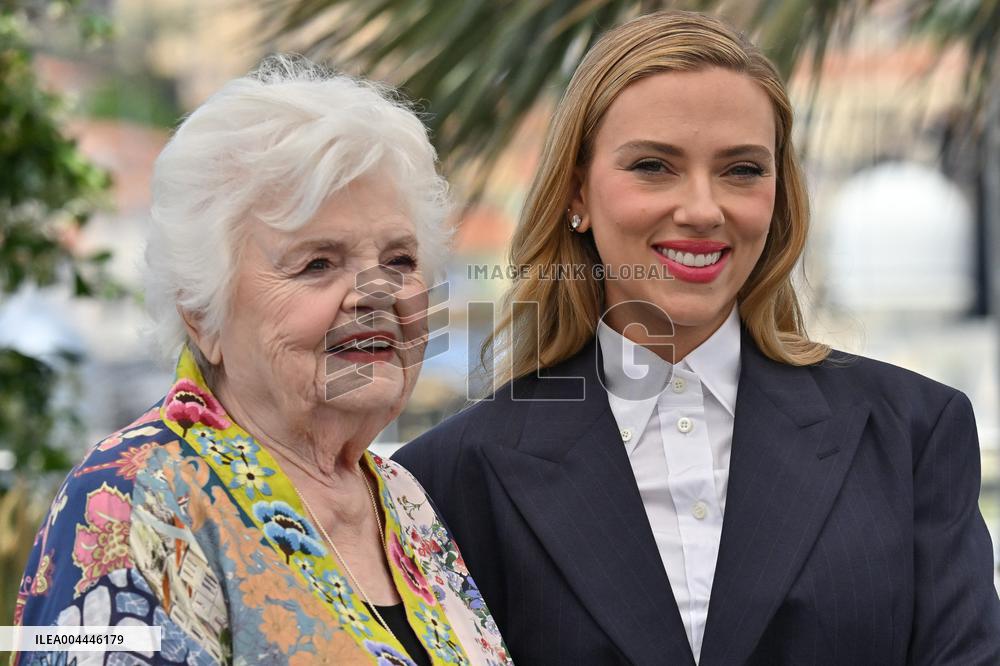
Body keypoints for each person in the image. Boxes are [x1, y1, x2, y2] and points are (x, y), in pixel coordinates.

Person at [393, 10, 1000, 666]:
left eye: (742, 170)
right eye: (655, 166)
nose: (704, 209)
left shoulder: (912, 433)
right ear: (577, 194)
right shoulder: (446, 478)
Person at [15, 55, 511, 666]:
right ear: (203, 314)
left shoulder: (403, 498)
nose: (376, 295)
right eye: (317, 263)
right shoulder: (131, 495)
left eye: (401, 262)